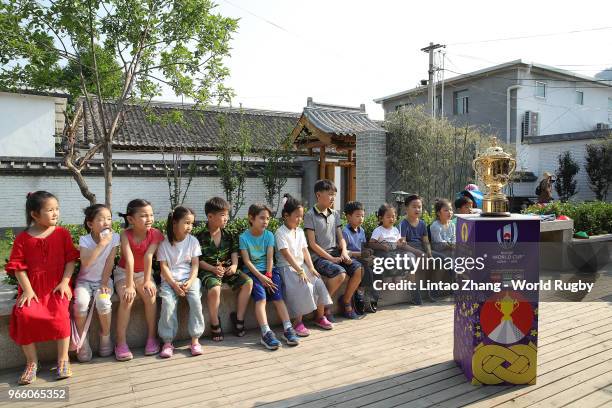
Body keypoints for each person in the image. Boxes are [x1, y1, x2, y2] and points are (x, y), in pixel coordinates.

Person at [6, 191, 80, 384]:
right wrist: (28, 290)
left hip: (57, 286)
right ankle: (31, 362)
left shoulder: (62, 234)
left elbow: (71, 259)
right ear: (34, 214)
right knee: (24, 315)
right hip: (34, 288)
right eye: (50, 210)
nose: (56, 213)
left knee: (60, 315)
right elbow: (18, 267)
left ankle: (63, 358)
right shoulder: (23, 238)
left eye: (57, 209)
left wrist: (65, 282)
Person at [240, 203, 300, 350]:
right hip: (253, 274)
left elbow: (270, 258)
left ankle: (287, 329)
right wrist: (261, 277)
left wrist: (268, 274)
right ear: (251, 218)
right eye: (261, 218)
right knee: (261, 299)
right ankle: (266, 332)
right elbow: (247, 261)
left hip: (269, 271)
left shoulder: (269, 235)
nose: (265, 221)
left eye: (267, 218)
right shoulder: (243, 237)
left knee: (278, 297)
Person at [304, 180, 363, 320]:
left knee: (358, 269)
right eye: (330, 194)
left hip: (336, 254)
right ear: (318, 195)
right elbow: (312, 244)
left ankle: (346, 300)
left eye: (334, 195)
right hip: (318, 257)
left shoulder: (335, 214)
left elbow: (340, 238)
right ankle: (325, 305)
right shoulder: (309, 215)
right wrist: (331, 259)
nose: (333, 198)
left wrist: (344, 252)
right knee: (340, 273)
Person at [275, 195, 333, 336]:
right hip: (287, 268)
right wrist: (300, 270)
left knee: (318, 282)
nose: (300, 219)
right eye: (297, 216)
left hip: (301, 266)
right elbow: (286, 254)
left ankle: (320, 317)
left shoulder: (300, 231)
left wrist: (311, 268)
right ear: (286, 215)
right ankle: (297, 322)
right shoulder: (280, 232)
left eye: (301, 216)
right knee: (305, 286)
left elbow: (305, 250)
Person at [115, 199, 164, 361]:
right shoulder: (125, 234)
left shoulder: (155, 234)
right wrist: (129, 286)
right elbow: (128, 260)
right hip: (123, 272)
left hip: (144, 272)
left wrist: (148, 280)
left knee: (150, 294)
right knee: (126, 298)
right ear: (130, 219)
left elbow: (149, 256)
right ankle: (120, 343)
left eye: (151, 215)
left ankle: (152, 338)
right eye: (143, 215)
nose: (149, 218)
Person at [197, 197, 253, 341]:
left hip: (227, 269)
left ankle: (238, 318)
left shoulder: (229, 234)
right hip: (208, 271)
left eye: (227, 215)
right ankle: (215, 322)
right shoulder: (199, 237)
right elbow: (198, 260)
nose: (226, 218)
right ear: (210, 216)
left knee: (248, 282)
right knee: (215, 288)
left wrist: (234, 266)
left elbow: (234, 253)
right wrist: (213, 269)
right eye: (223, 215)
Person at [74, 204, 120, 362]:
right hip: (84, 282)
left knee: (103, 303)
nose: (106, 222)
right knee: (80, 304)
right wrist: (101, 244)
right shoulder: (85, 240)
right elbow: (86, 263)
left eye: (109, 218)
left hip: (104, 281)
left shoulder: (115, 237)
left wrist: (104, 283)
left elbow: (110, 262)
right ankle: (83, 341)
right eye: (100, 219)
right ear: (90, 224)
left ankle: (105, 337)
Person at [157, 206, 204, 358]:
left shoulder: (193, 241)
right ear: (175, 223)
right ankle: (167, 342)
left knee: (195, 299)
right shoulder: (164, 243)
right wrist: (174, 285)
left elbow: (195, 265)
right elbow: (163, 267)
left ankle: (195, 340)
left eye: (192, 223)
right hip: (170, 281)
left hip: (189, 279)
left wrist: (190, 281)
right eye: (186, 223)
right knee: (168, 303)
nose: (190, 227)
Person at [342, 201, 376, 314]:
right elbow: (344, 252)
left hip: (361, 258)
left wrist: (368, 251)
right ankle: (360, 293)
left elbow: (363, 247)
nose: (361, 219)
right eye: (357, 216)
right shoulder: (345, 232)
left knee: (376, 266)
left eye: (362, 216)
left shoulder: (362, 230)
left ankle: (369, 292)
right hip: (350, 260)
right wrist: (360, 254)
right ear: (348, 217)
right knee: (365, 269)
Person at [398, 194, 433, 305]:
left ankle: (431, 291)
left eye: (419, 207)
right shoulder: (403, 224)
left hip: (421, 249)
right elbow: (402, 244)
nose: (417, 209)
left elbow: (426, 241)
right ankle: (414, 293)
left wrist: (429, 253)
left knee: (439, 259)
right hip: (408, 250)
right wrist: (418, 252)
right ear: (406, 208)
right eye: (414, 206)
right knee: (412, 262)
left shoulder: (422, 223)